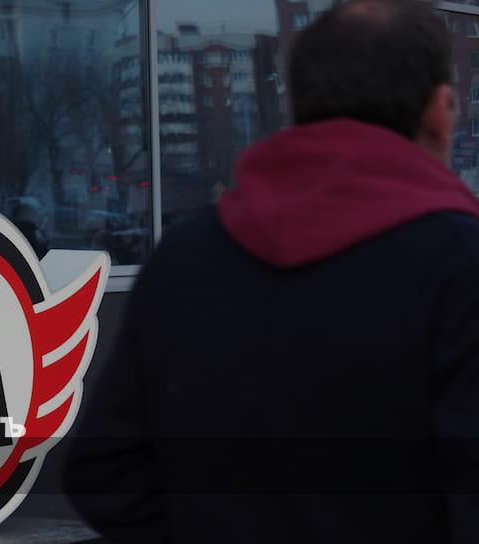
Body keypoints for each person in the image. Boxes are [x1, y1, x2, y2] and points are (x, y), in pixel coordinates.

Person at [65, 1, 479, 542]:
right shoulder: (459, 263)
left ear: (297, 106)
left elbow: (104, 473)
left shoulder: (182, 259)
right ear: (440, 112)